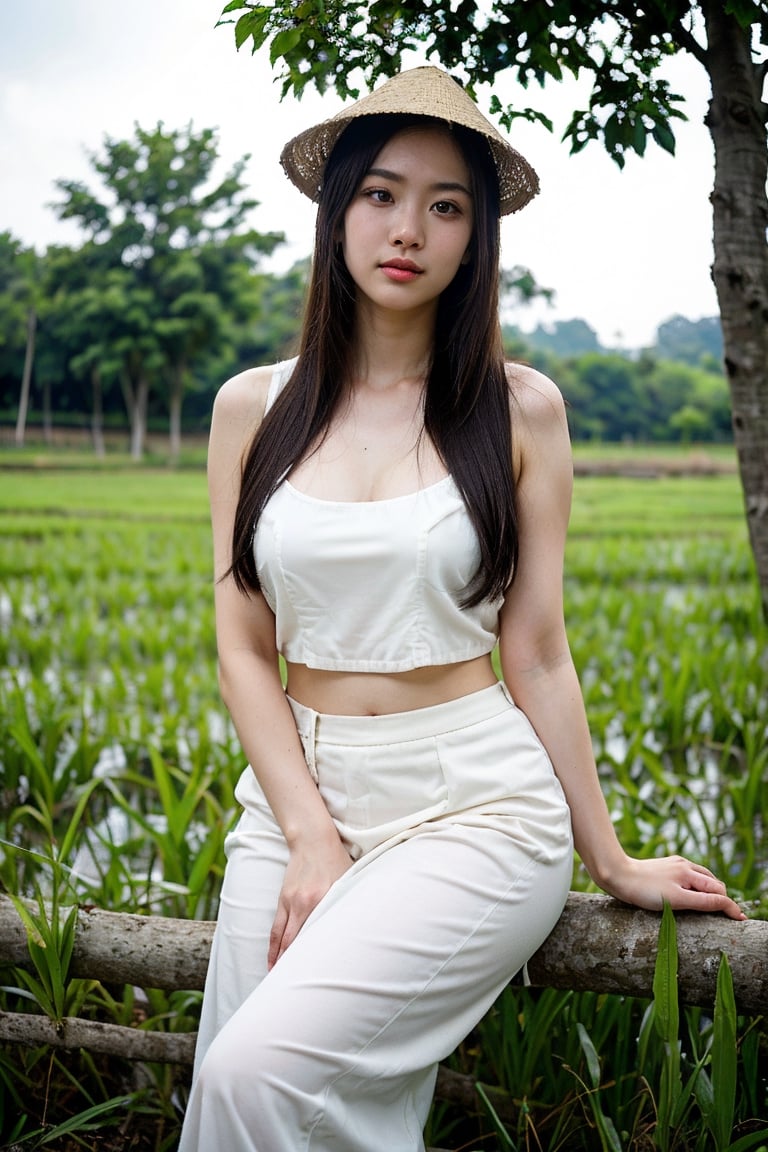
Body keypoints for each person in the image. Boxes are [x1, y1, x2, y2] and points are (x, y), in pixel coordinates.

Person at [178, 65, 745, 1152]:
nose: (410, 228)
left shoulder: (521, 408)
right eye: (382, 194)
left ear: (477, 238)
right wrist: (306, 831)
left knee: (259, 1074)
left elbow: (535, 651)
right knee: (228, 1096)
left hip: (474, 806)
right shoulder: (252, 407)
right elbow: (244, 646)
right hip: (295, 798)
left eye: (447, 206)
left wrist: (612, 859)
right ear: (336, 209)